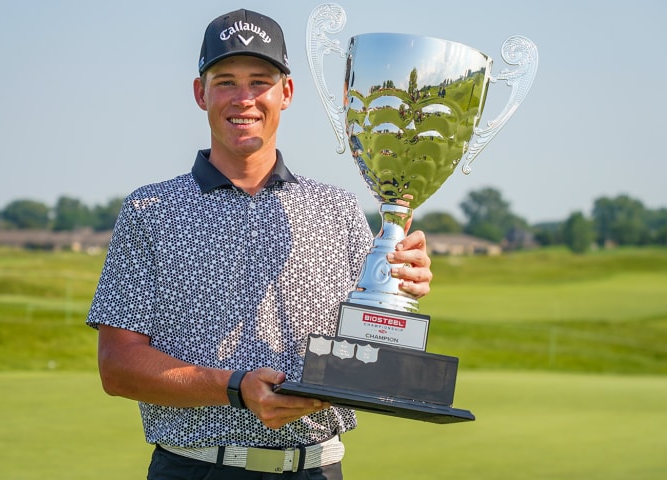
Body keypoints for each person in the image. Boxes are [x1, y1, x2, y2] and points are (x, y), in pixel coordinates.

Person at [86, 8, 433, 480]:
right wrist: (235, 387)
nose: (243, 99)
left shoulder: (338, 209)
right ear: (200, 93)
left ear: (285, 92)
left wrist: (397, 291)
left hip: (317, 468)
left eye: (260, 81)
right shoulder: (151, 211)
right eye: (225, 80)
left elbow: (373, 354)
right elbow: (118, 366)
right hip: (197, 470)